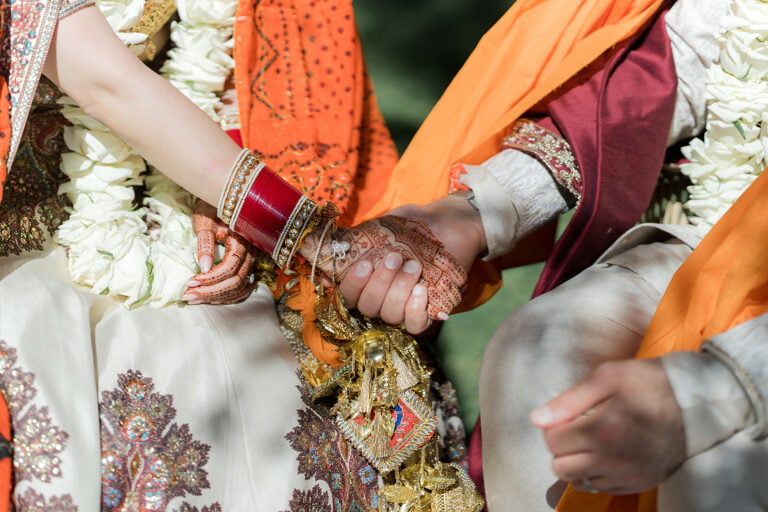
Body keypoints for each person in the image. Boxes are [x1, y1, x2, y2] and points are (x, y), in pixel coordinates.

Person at [0, 0, 470, 509]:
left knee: (327, 353)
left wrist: (222, 189)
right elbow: (104, 82)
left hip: (181, 191)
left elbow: (240, 42)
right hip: (25, 232)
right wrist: (320, 242)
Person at [336, 0, 768, 509]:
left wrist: (720, 389)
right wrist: (480, 211)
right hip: (729, 243)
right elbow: (677, 66)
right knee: (537, 345)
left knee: (717, 466)